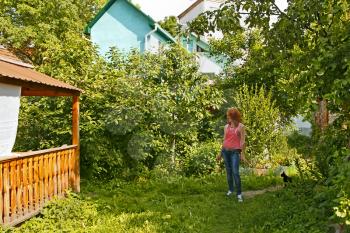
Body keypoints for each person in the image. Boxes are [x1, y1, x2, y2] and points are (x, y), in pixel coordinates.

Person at [217, 108, 246, 202]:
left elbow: (243, 141)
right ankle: (230, 190)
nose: (227, 118)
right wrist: (220, 153)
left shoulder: (241, 127)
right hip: (226, 152)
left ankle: (239, 194)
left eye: (229, 116)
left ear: (234, 117)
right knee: (229, 173)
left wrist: (242, 154)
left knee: (235, 172)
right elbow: (224, 140)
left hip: (234, 152)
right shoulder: (226, 127)